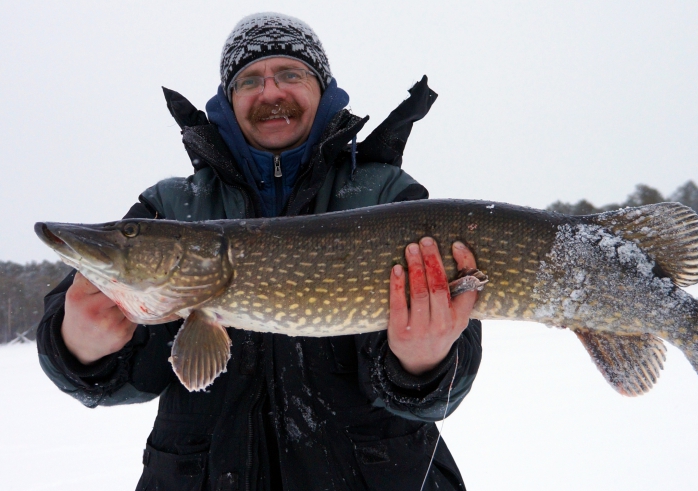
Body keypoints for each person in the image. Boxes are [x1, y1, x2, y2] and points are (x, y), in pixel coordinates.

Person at [36, 12, 482, 491]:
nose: (270, 92)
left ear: (322, 89)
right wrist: (79, 347)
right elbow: (134, 372)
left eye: (290, 73)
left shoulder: (386, 196)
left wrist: (423, 365)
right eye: (249, 80)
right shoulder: (171, 207)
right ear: (229, 100)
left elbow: (449, 375)